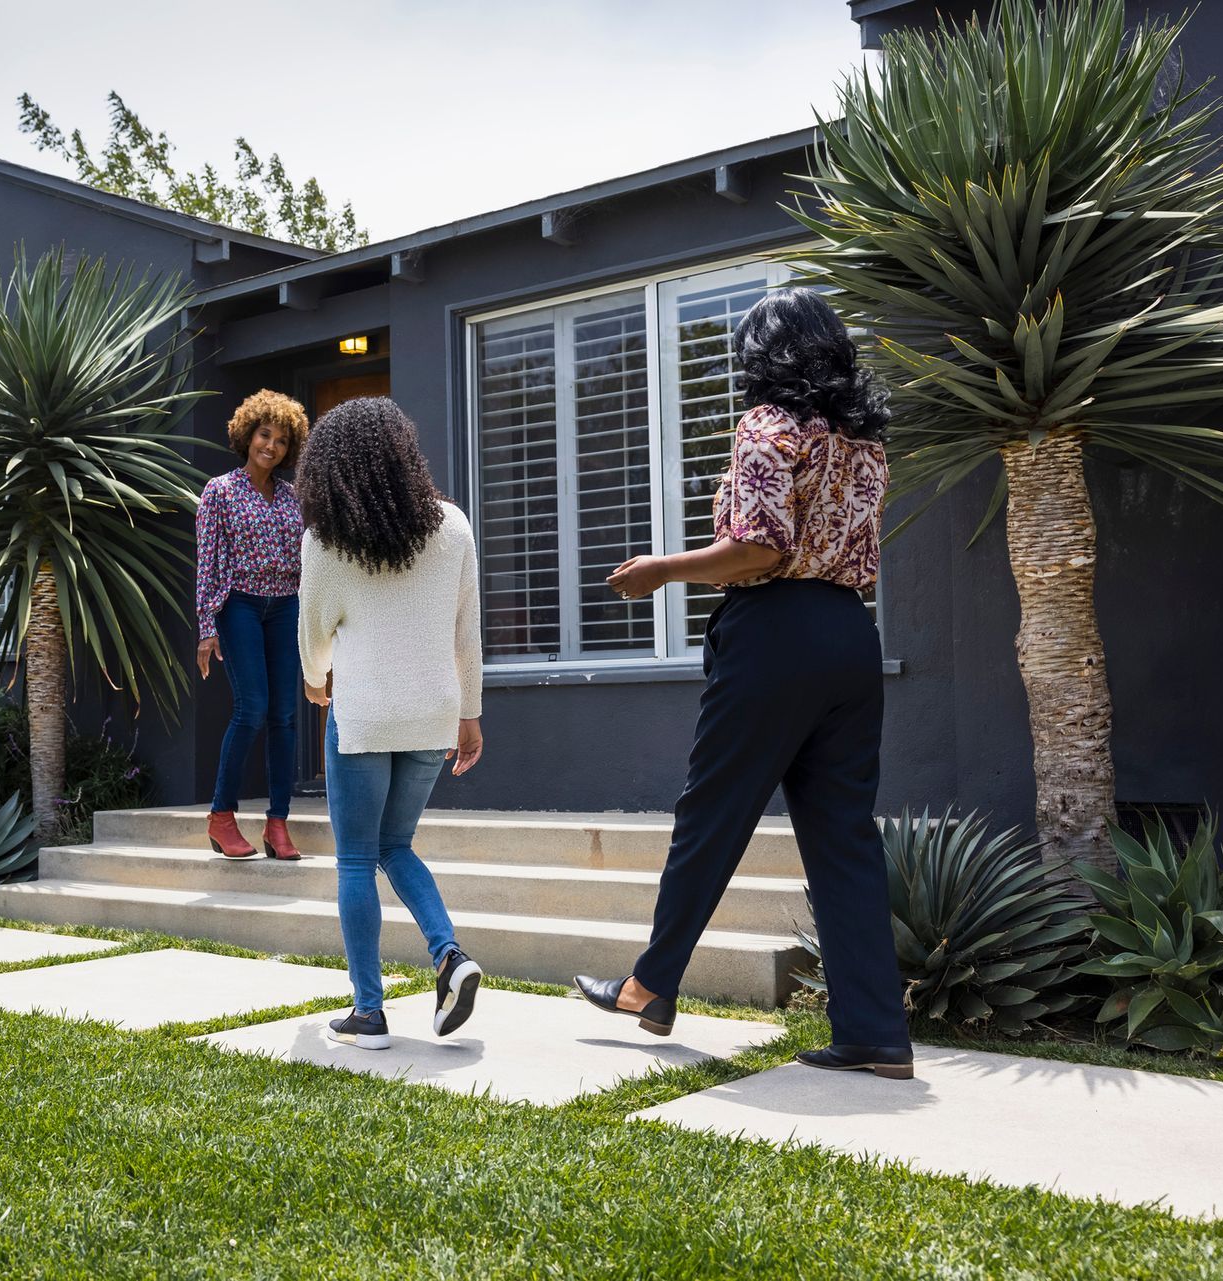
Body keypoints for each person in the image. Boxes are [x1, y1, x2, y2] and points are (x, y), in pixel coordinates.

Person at [571, 287, 915, 1080]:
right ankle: (874, 1032)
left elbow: (759, 548)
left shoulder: (765, 427)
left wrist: (662, 571)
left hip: (776, 637)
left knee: (712, 814)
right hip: (849, 637)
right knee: (844, 837)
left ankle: (650, 985)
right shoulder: (865, 441)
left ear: (765, 356)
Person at [297, 396, 486, 1050]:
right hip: (433, 714)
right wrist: (470, 714)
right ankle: (448, 955)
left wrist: (317, 685)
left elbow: (313, 637)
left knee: (356, 856)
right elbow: (468, 636)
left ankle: (369, 1011)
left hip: (365, 716)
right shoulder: (455, 526)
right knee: (395, 844)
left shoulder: (326, 541)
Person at [195, 390, 309, 861]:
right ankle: (222, 817)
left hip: (285, 606)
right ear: (248, 434)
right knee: (253, 708)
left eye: (282, 440)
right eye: (265, 435)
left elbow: (307, 559)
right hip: (238, 604)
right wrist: (207, 624)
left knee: (285, 714)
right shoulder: (219, 491)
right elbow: (207, 560)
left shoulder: (292, 496)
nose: (272, 446)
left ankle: (277, 823)